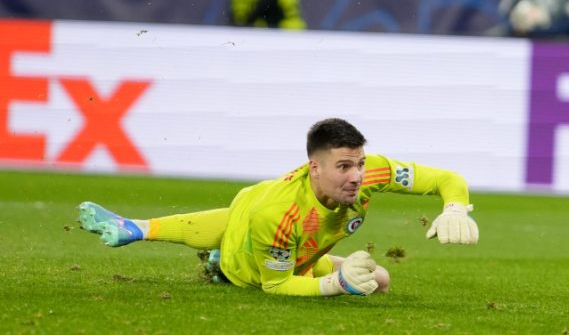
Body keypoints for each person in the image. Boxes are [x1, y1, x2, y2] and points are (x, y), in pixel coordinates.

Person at [78, 117, 479, 297]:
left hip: (293, 240)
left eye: (358, 163)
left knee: (382, 280)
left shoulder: (372, 171)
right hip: (252, 263)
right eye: (344, 167)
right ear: (315, 167)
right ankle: (216, 265)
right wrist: (336, 285)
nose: (357, 175)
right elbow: (277, 285)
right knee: (241, 249)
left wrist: (455, 208)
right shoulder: (282, 216)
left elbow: (446, 179)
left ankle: (138, 226)